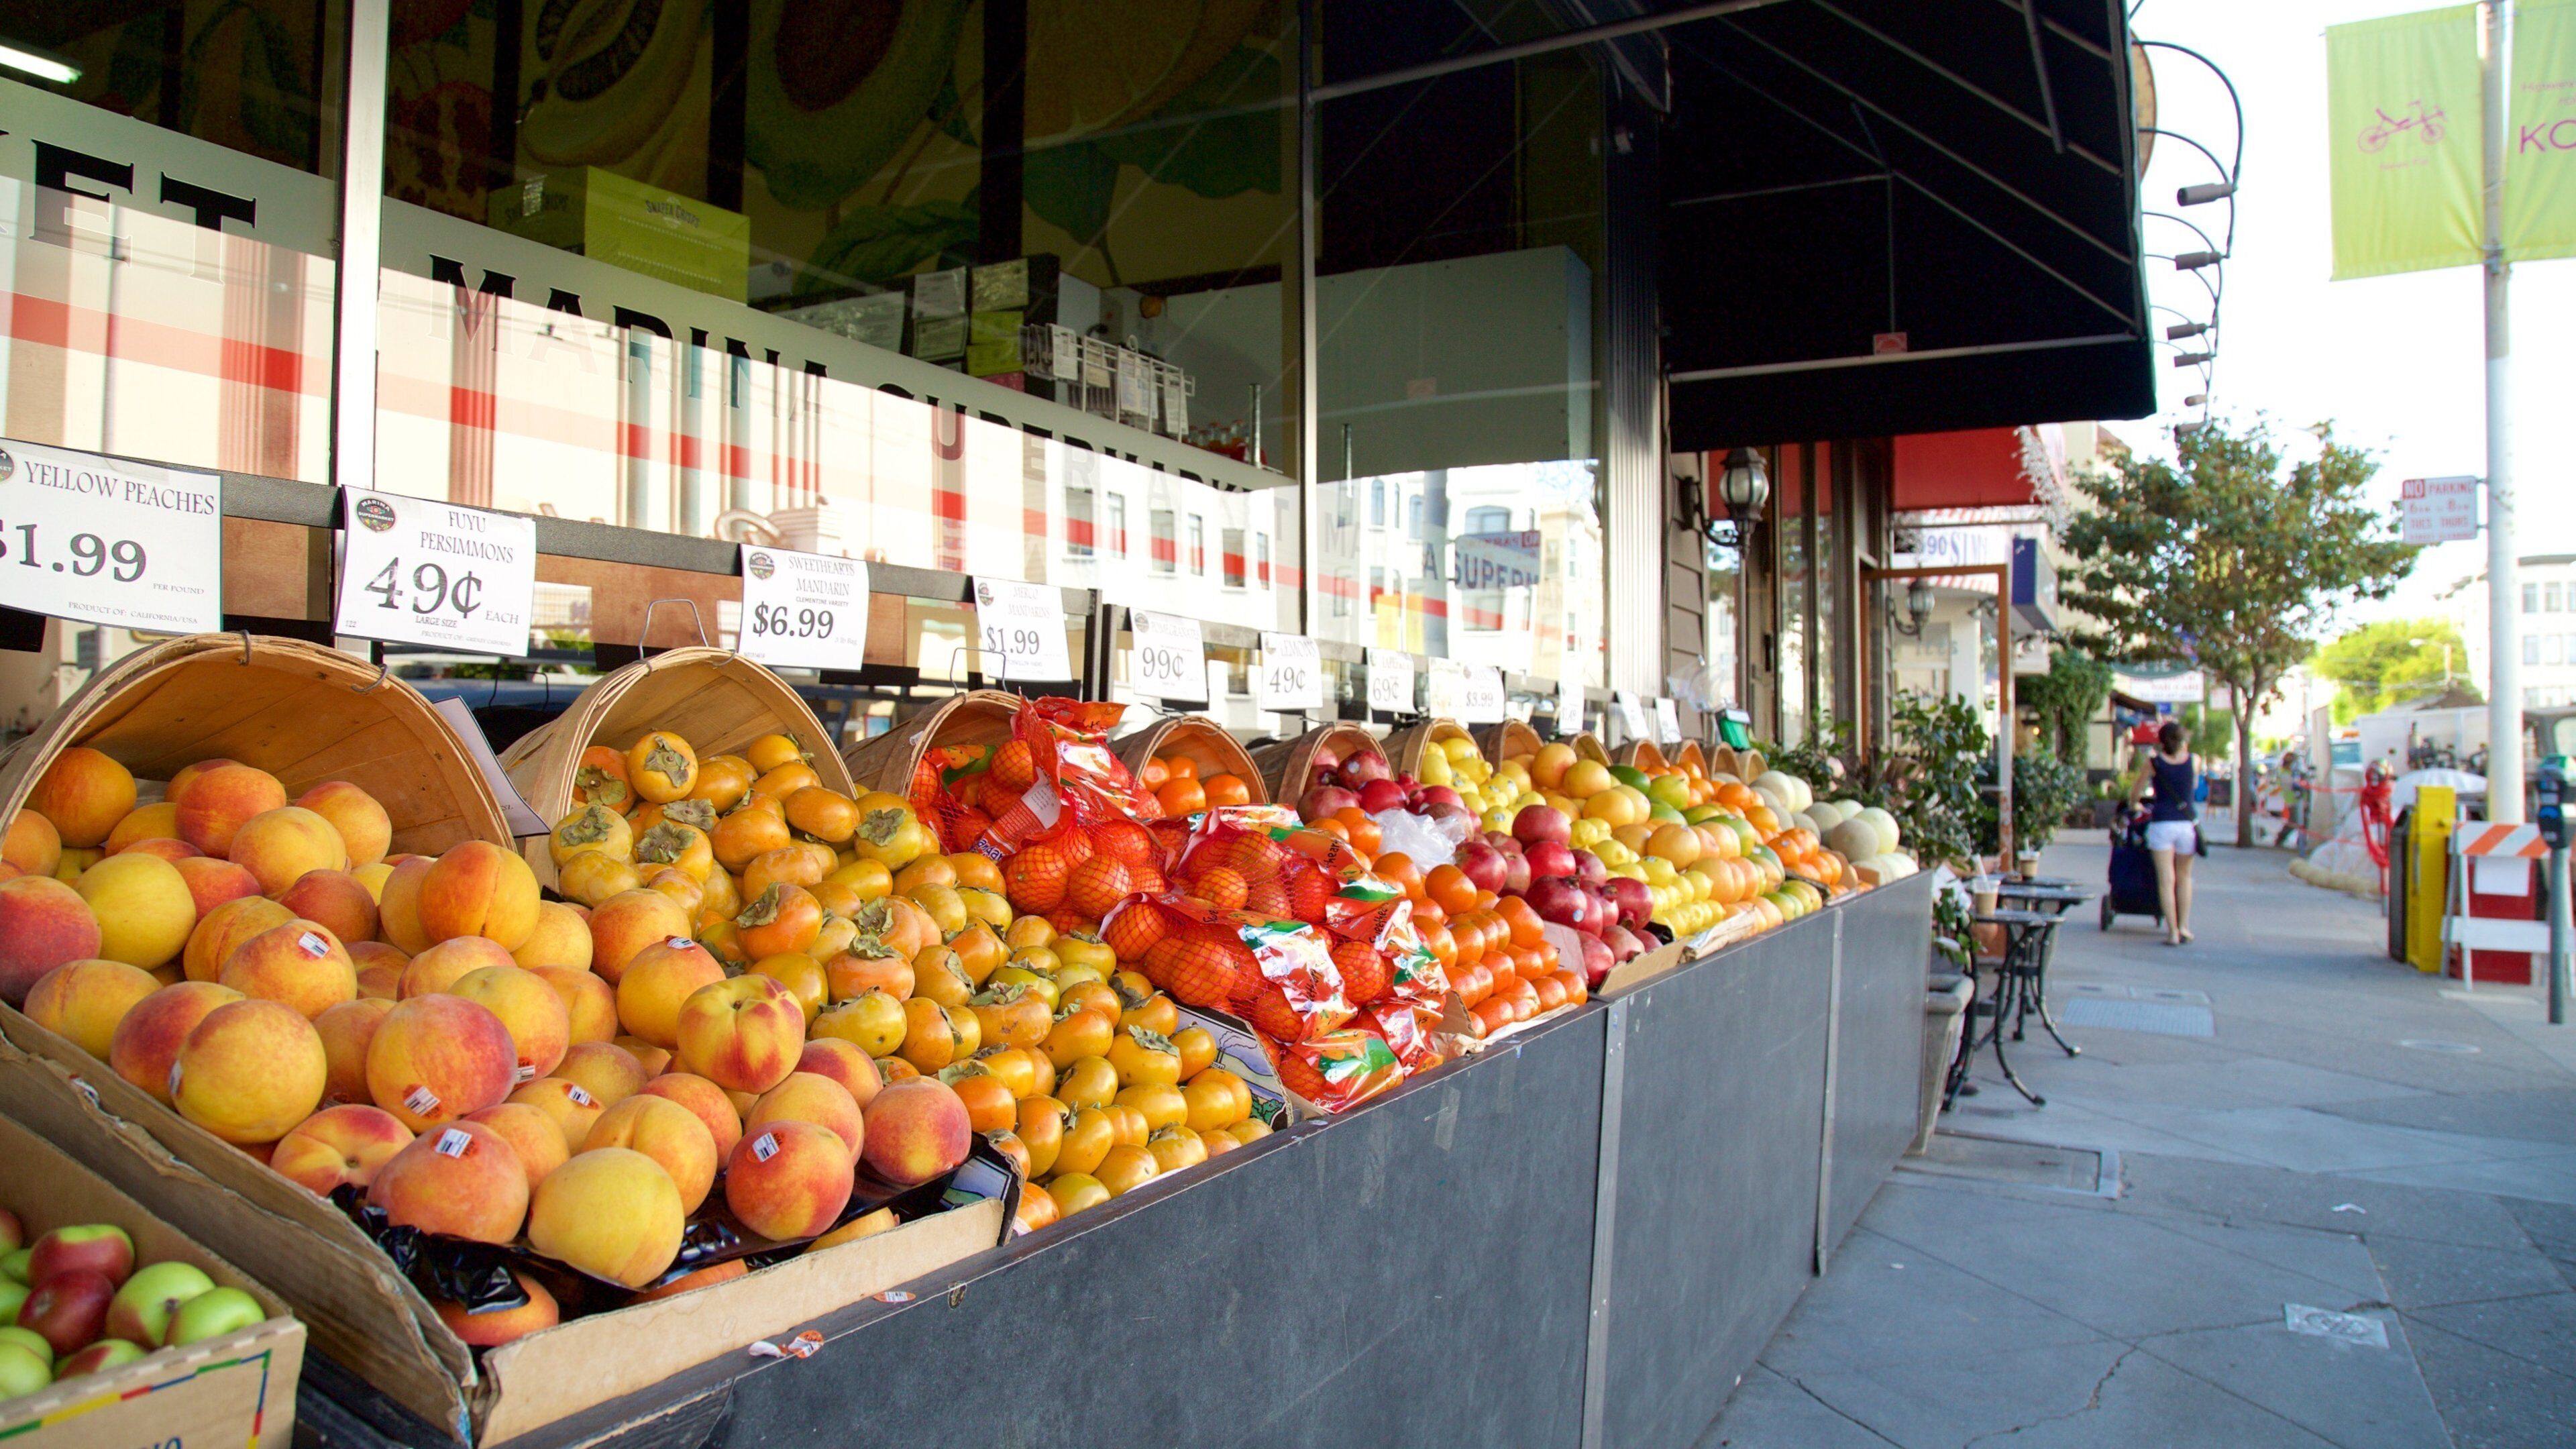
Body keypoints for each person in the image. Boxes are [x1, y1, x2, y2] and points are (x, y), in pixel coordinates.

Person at [2127, 719, 2199, 945]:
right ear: (2183, 741)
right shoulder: (2194, 761)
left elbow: (2137, 790)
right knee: (2184, 877)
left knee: (2166, 880)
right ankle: (2185, 926)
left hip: (2161, 825)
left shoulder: (2154, 763)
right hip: (2186, 825)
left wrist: (2134, 805)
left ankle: (2173, 933)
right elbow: (2193, 787)